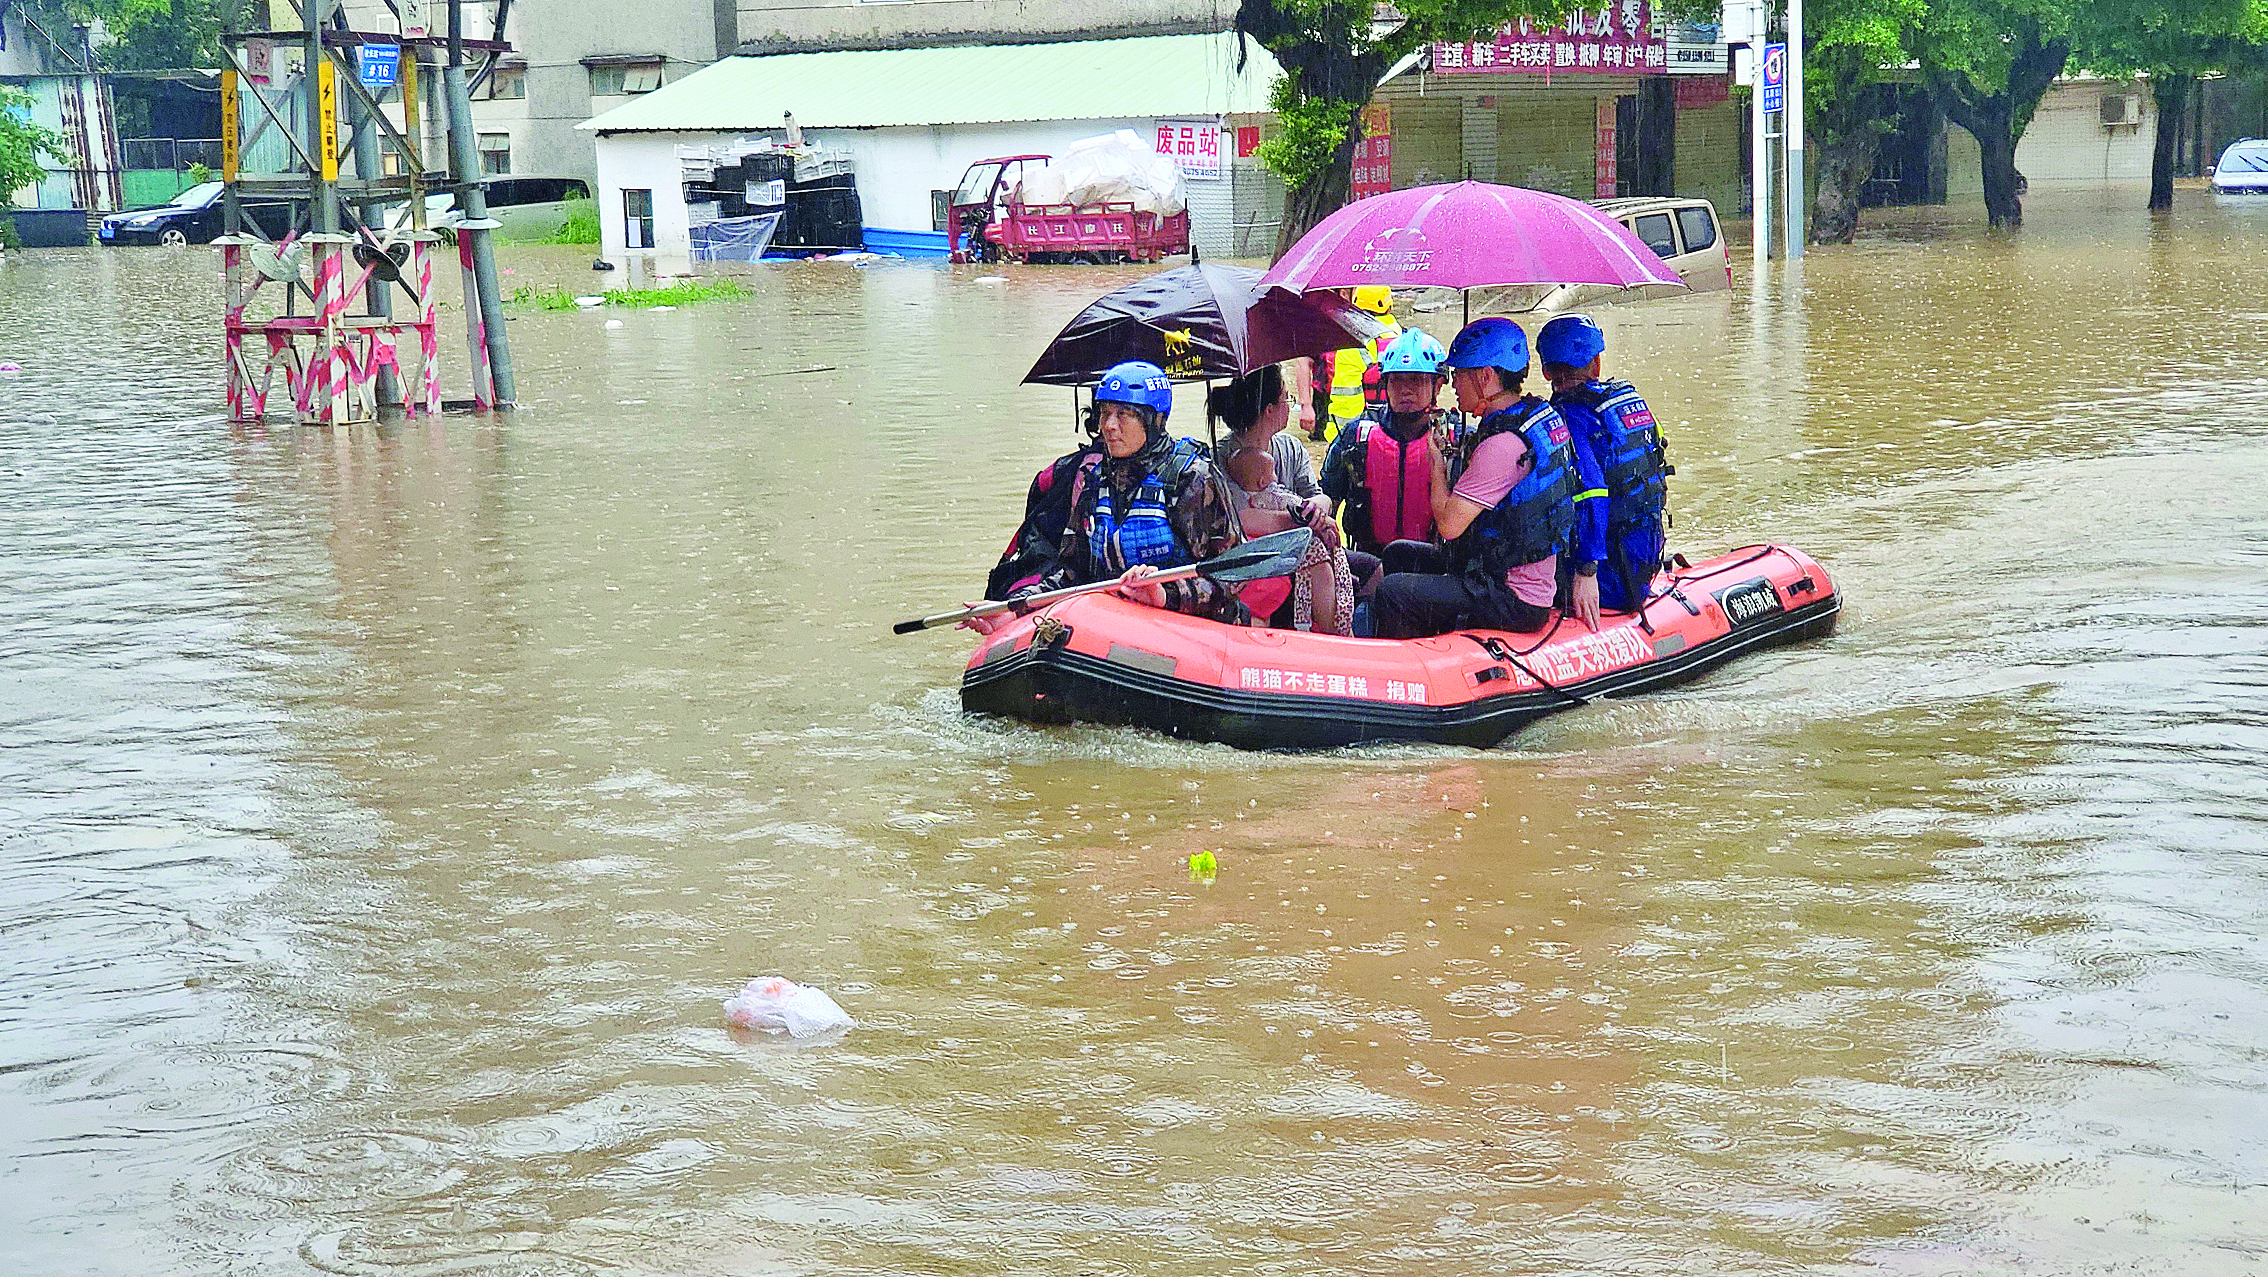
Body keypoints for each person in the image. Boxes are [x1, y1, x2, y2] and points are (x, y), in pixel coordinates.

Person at [963, 362, 1244, 634]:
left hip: (1190, 632)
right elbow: (1072, 574)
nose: (1109, 425)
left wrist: (1163, 595)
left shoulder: (1192, 479)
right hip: (1116, 629)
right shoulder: (1095, 480)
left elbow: (1232, 575)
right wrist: (1014, 610)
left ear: (1154, 420)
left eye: (1123, 414)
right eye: (1105, 413)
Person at [1369, 318, 1581, 641]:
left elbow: (1449, 525)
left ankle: (1404, 669)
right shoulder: (1533, 417)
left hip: (1512, 597)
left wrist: (1436, 465)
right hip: (1493, 570)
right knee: (1398, 554)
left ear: (1485, 377)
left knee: (1392, 592)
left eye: (1459, 376)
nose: (1453, 385)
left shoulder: (1502, 444)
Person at [1537, 313, 1672, 629]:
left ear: (1545, 371)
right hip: (1645, 554)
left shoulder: (1568, 419)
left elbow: (1592, 491)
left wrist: (1587, 571)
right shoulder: (1629, 401)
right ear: (1596, 363)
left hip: (1609, 573)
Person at [1207, 366, 1357, 634]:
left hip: (1300, 538)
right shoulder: (1222, 458)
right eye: (1286, 399)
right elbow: (1239, 519)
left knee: (1371, 568)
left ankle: (1340, 629)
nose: (1290, 406)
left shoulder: (1291, 448)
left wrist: (1318, 510)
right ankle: (1336, 635)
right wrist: (1299, 522)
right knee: (1319, 561)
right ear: (1270, 410)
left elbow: (1317, 496)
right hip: (1253, 555)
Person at [1319, 328, 1469, 566]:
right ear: (1385, 384)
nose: (1405, 389)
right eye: (1396, 379)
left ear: (1438, 385)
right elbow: (1328, 496)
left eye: (1416, 379)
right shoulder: (1357, 436)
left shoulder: (1457, 439)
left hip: (1437, 566)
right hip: (1370, 562)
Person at [1222, 446, 1355, 635]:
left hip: (1268, 563)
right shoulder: (1271, 495)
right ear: (1262, 481)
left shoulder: (1243, 499)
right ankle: (1334, 629)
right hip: (1296, 553)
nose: (1277, 478)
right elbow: (1301, 507)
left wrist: (1322, 501)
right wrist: (1321, 518)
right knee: (1324, 566)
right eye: (1273, 473)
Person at [1315, 285, 1403, 442]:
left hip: (1363, 436)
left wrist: (1338, 440)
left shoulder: (1351, 344)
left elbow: (1346, 403)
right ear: (1389, 306)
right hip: (1395, 433)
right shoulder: (1403, 338)